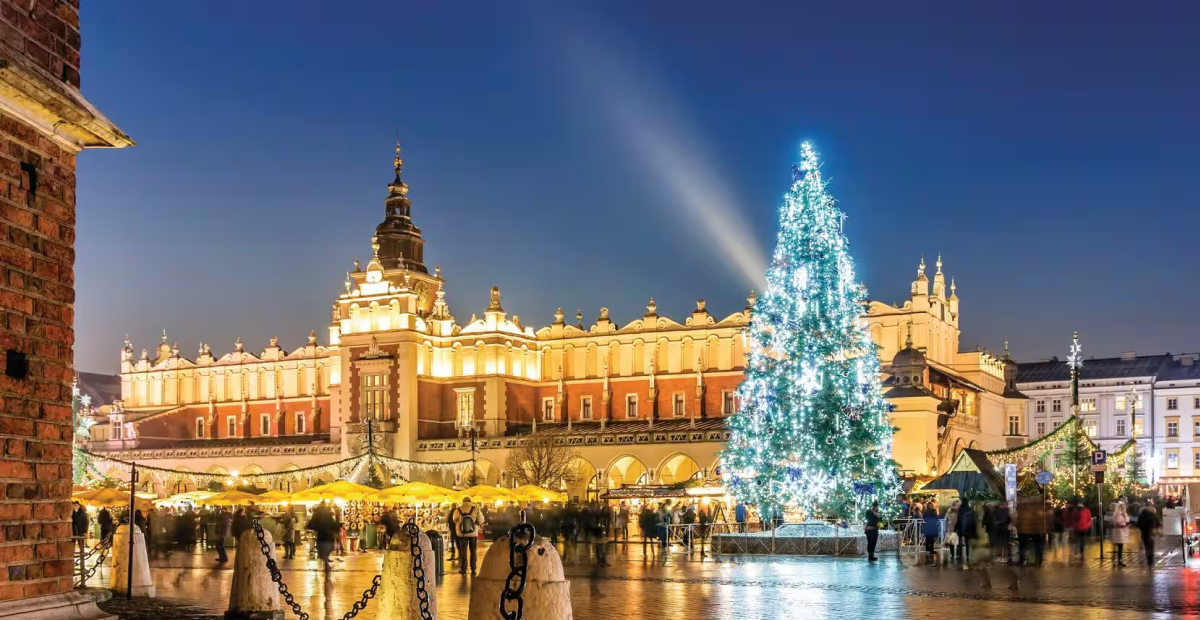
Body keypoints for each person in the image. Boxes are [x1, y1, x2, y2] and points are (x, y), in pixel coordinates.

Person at [454, 497, 484, 574]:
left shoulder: (458, 509)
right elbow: (481, 521)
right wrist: (475, 524)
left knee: (463, 551)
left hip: (462, 533)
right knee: (473, 550)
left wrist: (460, 524)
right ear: (470, 501)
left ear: (463, 501)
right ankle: (473, 568)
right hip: (473, 533)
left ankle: (463, 568)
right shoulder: (475, 509)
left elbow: (454, 519)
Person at [307, 502, 340, 570]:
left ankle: (327, 572)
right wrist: (337, 517)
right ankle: (327, 573)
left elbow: (310, 526)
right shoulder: (329, 515)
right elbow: (335, 527)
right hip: (329, 539)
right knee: (325, 556)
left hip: (321, 538)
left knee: (323, 556)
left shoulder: (316, 514)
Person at [1015, 497, 1046, 566]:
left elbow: (1019, 521)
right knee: (1037, 546)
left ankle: (1023, 559)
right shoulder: (1039, 510)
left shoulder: (1025, 510)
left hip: (1027, 531)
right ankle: (1038, 560)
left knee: (1023, 546)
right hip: (1035, 531)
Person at [1136, 499, 1159, 568]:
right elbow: (1157, 522)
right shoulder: (1152, 514)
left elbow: (1138, 524)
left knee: (1147, 546)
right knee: (1150, 546)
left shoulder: (1142, 514)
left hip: (1144, 533)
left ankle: (1148, 559)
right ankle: (1150, 560)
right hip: (1151, 533)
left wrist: (1143, 529)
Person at [955, 500, 977, 566]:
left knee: (959, 542)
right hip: (968, 528)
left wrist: (955, 528)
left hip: (960, 528)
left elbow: (957, 519)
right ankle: (967, 555)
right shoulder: (969, 510)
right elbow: (973, 520)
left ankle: (959, 554)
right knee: (967, 543)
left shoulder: (959, 510)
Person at [1073, 499, 1093, 563]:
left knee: (1077, 541)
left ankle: (1078, 554)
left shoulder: (1075, 510)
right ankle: (1081, 554)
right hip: (1083, 528)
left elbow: (1073, 519)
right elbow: (1089, 519)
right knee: (1082, 541)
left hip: (1077, 528)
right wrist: (1088, 526)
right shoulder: (1086, 510)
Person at [1111, 500, 1130, 567]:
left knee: (1120, 546)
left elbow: (1127, 520)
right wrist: (1123, 524)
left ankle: (1119, 560)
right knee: (1116, 546)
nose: (1124, 508)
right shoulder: (1117, 513)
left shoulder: (1124, 513)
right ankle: (1114, 560)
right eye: (1123, 507)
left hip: (1122, 532)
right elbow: (1117, 522)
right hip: (1118, 532)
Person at [922, 501, 940, 566]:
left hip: (931, 526)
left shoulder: (931, 511)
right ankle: (928, 550)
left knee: (931, 539)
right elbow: (925, 518)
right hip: (930, 526)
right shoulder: (926, 512)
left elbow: (936, 518)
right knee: (929, 539)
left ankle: (931, 550)